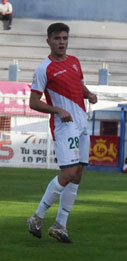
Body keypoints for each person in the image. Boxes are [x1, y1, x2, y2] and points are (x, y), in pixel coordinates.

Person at [26, 23, 98, 243]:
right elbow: (33, 102)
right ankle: (37, 217)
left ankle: (60, 225)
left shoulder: (75, 62)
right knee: (68, 173)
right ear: (48, 41)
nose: (62, 42)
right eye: (57, 38)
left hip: (82, 123)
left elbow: (79, 86)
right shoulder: (43, 68)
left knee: (77, 175)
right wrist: (57, 109)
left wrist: (89, 94)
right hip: (64, 126)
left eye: (65, 38)